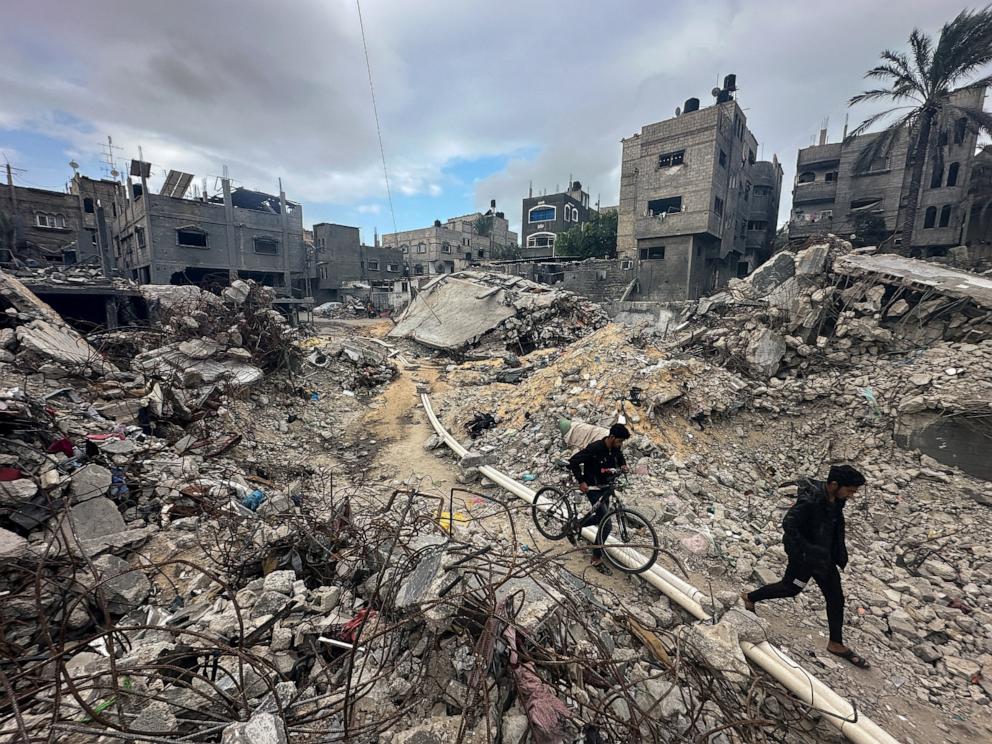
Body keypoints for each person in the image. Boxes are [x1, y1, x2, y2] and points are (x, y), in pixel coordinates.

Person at [742, 464, 870, 669]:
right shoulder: (811, 500)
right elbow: (789, 524)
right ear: (834, 484)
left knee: (836, 597)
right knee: (791, 588)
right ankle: (750, 597)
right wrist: (806, 549)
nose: (851, 495)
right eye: (850, 490)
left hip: (824, 558)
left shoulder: (837, 500)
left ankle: (835, 642)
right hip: (805, 558)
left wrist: (837, 552)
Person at [568, 423, 630, 575]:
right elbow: (574, 461)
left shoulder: (615, 448)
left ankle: (574, 526)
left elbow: (619, 456)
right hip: (593, 488)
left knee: (599, 518)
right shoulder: (595, 448)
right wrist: (581, 481)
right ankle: (596, 558)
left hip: (606, 486)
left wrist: (623, 465)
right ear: (612, 437)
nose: (620, 444)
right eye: (619, 441)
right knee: (606, 524)